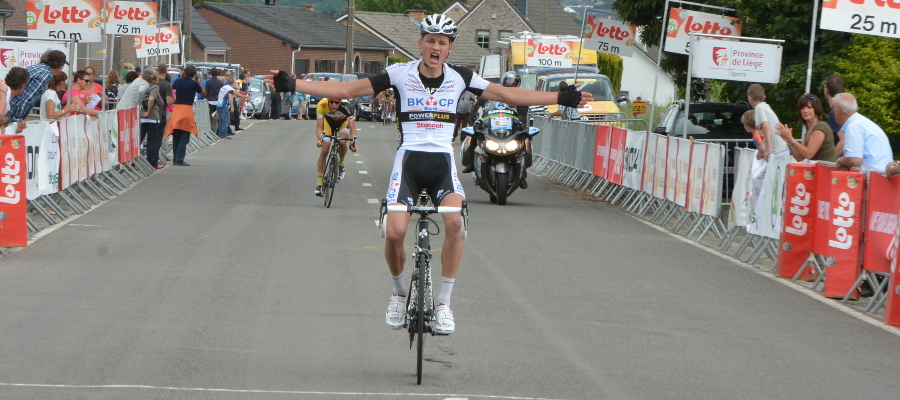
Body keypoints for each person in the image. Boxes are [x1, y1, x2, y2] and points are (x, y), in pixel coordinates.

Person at [264, 13, 591, 335]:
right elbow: (349, 91)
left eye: (443, 42)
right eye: (430, 40)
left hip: (441, 165)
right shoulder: (398, 74)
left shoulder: (462, 77)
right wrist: (293, 84)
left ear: (449, 49)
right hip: (408, 163)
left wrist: (560, 98)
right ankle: (398, 292)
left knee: (454, 223)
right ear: (420, 43)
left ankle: (444, 303)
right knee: (393, 234)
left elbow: (507, 95)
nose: (436, 47)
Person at [3, 49, 67, 133]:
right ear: (61, 66)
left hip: (7, 105)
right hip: (10, 111)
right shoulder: (44, 76)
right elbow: (27, 98)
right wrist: (18, 119)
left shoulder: (38, 68)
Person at [833, 93, 893, 171]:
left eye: (834, 110)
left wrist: (840, 160)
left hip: (874, 177)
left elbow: (854, 159)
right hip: (883, 175)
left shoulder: (853, 126)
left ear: (838, 110)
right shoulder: (862, 123)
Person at [313, 98, 357, 195]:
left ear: (340, 103)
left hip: (343, 123)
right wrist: (320, 139)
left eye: (336, 102)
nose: (334, 104)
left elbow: (353, 129)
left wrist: (352, 144)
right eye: (331, 102)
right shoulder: (322, 105)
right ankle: (319, 184)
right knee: (324, 150)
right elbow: (319, 127)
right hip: (328, 123)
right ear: (328, 101)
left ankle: (341, 163)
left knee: (342, 142)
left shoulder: (347, 106)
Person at [775, 94, 836, 162]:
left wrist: (791, 139)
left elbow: (809, 154)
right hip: (815, 170)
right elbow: (799, 157)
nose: (805, 110)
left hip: (826, 170)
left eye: (809, 107)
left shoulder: (820, 127)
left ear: (816, 109)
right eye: (802, 108)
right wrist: (788, 142)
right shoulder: (810, 129)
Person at [165, 65, 205, 166]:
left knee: (176, 136)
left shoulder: (178, 82)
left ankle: (175, 158)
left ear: (184, 72)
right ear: (194, 74)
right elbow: (204, 92)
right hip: (187, 110)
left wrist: (181, 77)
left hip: (177, 109)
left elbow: (170, 87)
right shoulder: (194, 84)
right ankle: (179, 159)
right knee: (185, 136)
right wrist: (198, 80)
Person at [747, 83, 788, 160]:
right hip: (782, 148)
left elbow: (766, 127)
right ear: (764, 97)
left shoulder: (759, 108)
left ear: (749, 98)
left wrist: (769, 149)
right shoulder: (766, 106)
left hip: (777, 150)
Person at [139, 68, 166, 169]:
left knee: (139, 139)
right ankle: (153, 162)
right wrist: (149, 111)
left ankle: (134, 162)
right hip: (152, 117)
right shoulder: (154, 87)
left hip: (141, 117)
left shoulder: (141, 86)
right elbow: (151, 98)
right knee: (152, 141)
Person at [823, 74, 847, 157]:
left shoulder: (834, 113)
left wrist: (830, 160)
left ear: (826, 90)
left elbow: (843, 141)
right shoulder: (846, 110)